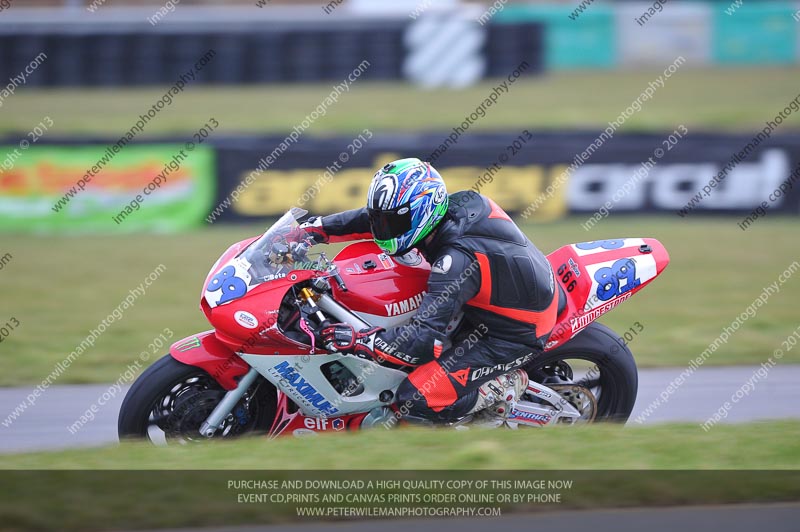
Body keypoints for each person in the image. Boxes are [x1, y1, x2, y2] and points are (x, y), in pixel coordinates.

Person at [297, 157, 558, 424]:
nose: (381, 229)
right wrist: (311, 230)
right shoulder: (445, 209)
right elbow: (369, 219)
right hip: (497, 295)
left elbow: (423, 342)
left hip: (514, 332)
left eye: (389, 222)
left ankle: (501, 385)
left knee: (414, 398)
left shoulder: (455, 261)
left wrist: (359, 339)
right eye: (381, 220)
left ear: (422, 212)